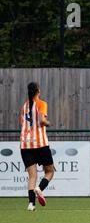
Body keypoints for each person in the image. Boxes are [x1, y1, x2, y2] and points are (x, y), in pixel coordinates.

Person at [20, 82, 54, 212]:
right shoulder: (41, 103)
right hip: (40, 143)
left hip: (25, 144)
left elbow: (23, 123)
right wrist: (49, 123)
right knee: (50, 171)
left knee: (32, 175)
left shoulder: (25, 106)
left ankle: (31, 204)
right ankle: (40, 188)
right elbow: (42, 120)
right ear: (38, 91)